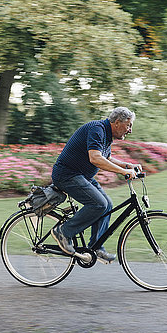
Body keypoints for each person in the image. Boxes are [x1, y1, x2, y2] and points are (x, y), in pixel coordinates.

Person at [50, 107, 141, 263]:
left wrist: (126, 165)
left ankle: (96, 247)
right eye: (129, 125)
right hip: (67, 175)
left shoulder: (106, 133)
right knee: (99, 204)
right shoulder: (97, 129)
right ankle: (63, 232)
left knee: (107, 205)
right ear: (117, 122)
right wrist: (122, 171)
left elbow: (107, 157)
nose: (130, 130)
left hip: (81, 176)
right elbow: (95, 158)